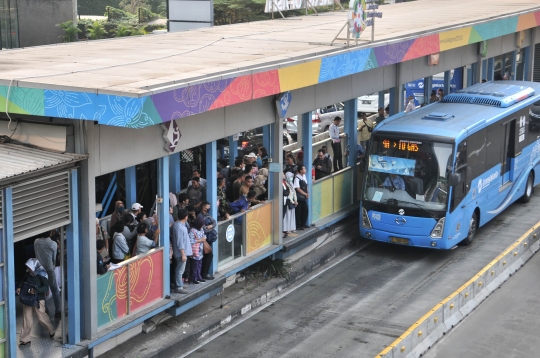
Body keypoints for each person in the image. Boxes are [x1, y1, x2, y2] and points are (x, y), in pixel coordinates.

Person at [17, 259, 55, 345]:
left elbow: (46, 288)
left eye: (29, 267)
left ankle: (51, 330)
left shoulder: (42, 274)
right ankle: (24, 339)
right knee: (27, 318)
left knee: (41, 317)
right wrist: (20, 287)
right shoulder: (27, 272)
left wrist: (36, 290)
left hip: (38, 298)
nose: (28, 269)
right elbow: (23, 281)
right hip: (27, 297)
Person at [34, 230, 62, 318]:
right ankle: (58, 310)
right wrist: (52, 266)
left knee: (42, 289)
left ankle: (44, 309)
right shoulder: (53, 244)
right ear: (50, 233)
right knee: (54, 289)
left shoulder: (36, 242)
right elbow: (54, 257)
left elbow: (36, 254)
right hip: (49, 268)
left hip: (39, 269)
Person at [172, 209, 191, 294]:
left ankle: (180, 284)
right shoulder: (178, 227)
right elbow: (180, 242)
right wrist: (183, 254)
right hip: (180, 253)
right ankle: (179, 287)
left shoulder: (180, 225)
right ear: (186, 217)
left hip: (183, 252)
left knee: (180, 270)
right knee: (180, 270)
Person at [198, 202, 216, 280]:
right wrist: (210, 228)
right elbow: (204, 229)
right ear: (203, 207)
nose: (208, 208)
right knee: (207, 255)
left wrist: (211, 226)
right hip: (203, 239)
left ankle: (205, 273)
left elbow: (214, 223)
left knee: (208, 255)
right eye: (207, 207)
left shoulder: (208, 215)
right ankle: (204, 273)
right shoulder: (200, 216)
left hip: (209, 238)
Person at [188, 216, 206, 284]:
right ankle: (194, 278)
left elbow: (204, 235)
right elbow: (190, 240)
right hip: (194, 250)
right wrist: (199, 240)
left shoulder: (201, 229)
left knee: (199, 264)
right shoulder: (192, 230)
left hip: (200, 249)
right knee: (194, 265)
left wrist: (204, 238)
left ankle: (199, 277)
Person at [294, 165, 309, 230]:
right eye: (304, 169)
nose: (305, 170)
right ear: (300, 170)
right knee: (298, 211)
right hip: (299, 197)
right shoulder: (297, 178)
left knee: (305, 210)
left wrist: (307, 192)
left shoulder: (304, 176)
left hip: (304, 196)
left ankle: (303, 224)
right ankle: (298, 225)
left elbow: (306, 185)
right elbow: (297, 188)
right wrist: (305, 194)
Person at [283, 172, 297, 236]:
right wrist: (292, 201)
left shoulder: (291, 184)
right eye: (290, 177)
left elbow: (294, 193)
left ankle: (291, 227)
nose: (291, 178)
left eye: (292, 177)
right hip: (288, 202)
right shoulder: (286, 184)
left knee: (292, 216)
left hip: (293, 202)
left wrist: (295, 200)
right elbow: (288, 194)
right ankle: (286, 229)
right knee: (287, 216)